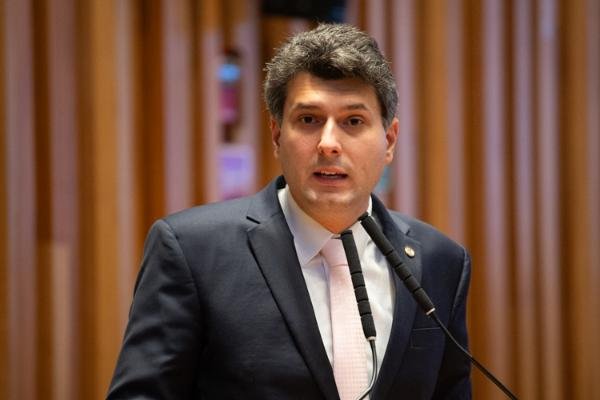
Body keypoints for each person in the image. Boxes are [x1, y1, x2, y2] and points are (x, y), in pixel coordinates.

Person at [107, 23, 471, 399]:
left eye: (353, 121)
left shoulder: (440, 261)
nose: (328, 143)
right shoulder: (192, 251)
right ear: (277, 134)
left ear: (389, 140)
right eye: (309, 120)